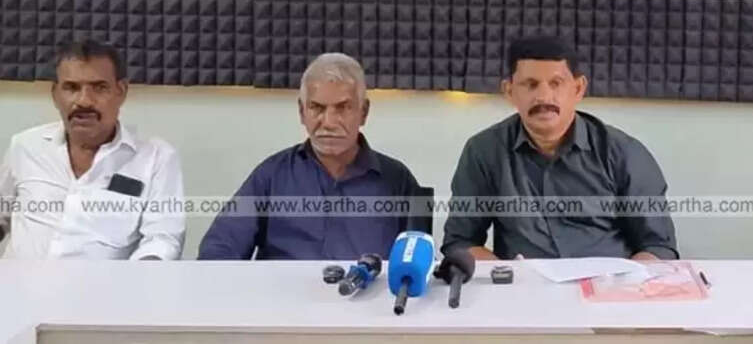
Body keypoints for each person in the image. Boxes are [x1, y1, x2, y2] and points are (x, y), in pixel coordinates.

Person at [442, 35, 678, 260]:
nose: (544, 96)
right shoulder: (484, 151)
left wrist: (623, 289)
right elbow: (460, 242)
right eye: (530, 85)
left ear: (578, 89)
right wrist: (506, 274)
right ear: (510, 91)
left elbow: (658, 247)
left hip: (605, 292)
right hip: (523, 291)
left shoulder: (624, 153)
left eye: (556, 84)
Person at [198, 53, 424, 260]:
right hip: (283, 301)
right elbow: (219, 248)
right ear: (301, 111)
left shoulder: (397, 180)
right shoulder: (272, 175)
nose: (329, 122)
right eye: (317, 108)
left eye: (343, 108)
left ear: (363, 112)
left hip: (369, 300)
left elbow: (418, 259)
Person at [0, 41, 185, 259]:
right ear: (55, 94)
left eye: (99, 87)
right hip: (18, 289)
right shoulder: (25, 146)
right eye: (71, 88)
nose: (84, 101)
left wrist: (138, 285)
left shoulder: (156, 158)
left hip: (105, 291)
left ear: (121, 91)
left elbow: (162, 239)